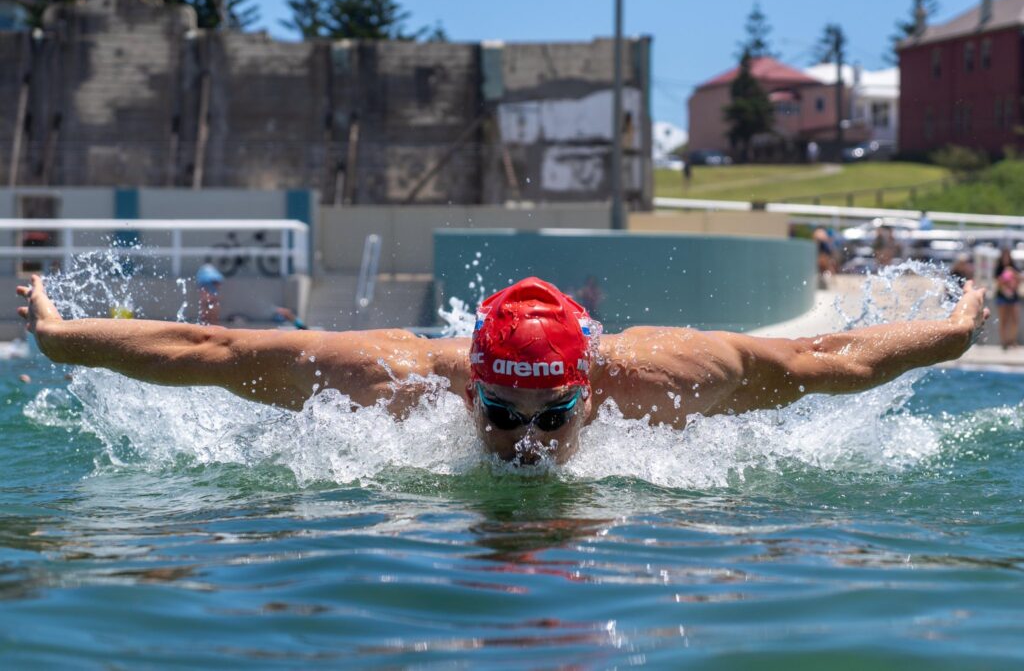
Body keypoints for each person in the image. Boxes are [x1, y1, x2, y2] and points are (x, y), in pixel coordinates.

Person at [16, 275, 989, 465]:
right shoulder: (393, 375)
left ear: (592, 387)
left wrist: (950, 332)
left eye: (552, 416)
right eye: (501, 413)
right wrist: (63, 336)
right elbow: (213, 353)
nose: (525, 441)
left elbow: (830, 363)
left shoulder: (672, 372)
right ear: (464, 384)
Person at [995, 248, 1020, 350]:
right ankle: (1004, 341)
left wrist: (1013, 273)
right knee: (1003, 320)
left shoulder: (1014, 268)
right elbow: (997, 283)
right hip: (1002, 297)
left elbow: (1019, 280)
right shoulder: (998, 269)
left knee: (1014, 319)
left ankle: (1012, 340)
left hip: (1014, 297)